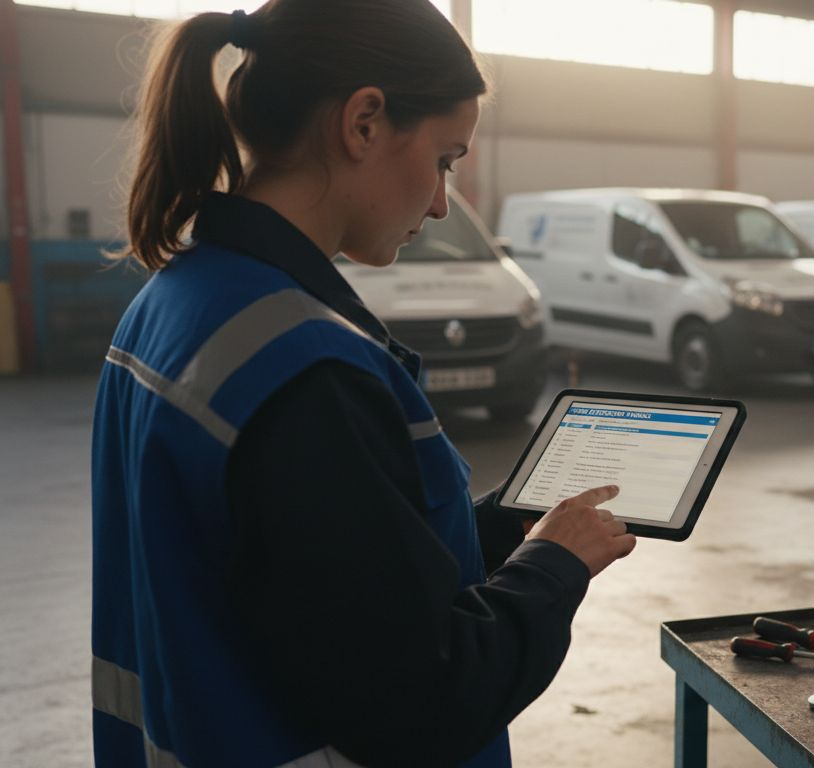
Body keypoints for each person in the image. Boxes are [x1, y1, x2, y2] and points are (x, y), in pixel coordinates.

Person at [89, 2, 637, 767]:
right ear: (365, 123)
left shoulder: (176, 300)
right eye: (446, 159)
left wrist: (507, 530)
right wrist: (554, 569)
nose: (444, 201)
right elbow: (427, 700)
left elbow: (319, 574)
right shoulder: (306, 369)